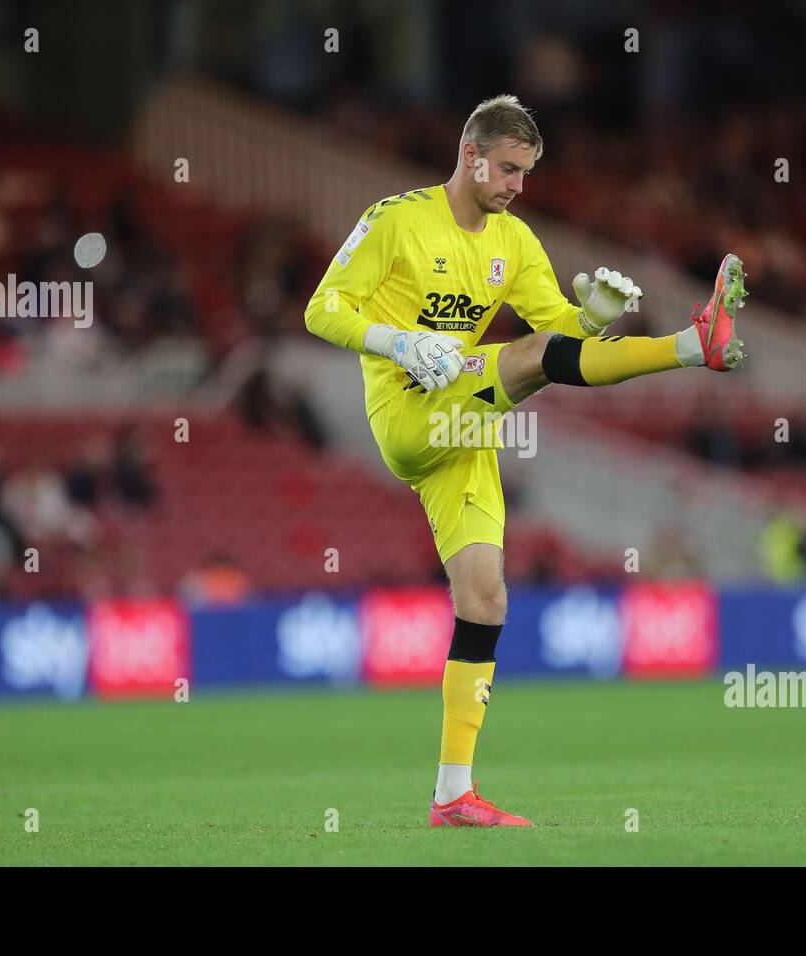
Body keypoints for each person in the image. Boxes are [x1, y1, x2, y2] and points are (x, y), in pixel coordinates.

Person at [303, 94, 748, 827]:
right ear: (471, 155)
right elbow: (322, 308)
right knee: (534, 360)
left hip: (466, 430)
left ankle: (452, 795)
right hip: (408, 413)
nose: (517, 185)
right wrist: (398, 341)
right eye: (508, 169)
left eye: (527, 173)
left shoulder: (515, 240)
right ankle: (691, 345)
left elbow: (560, 334)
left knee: (484, 601)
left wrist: (594, 318)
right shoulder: (396, 220)